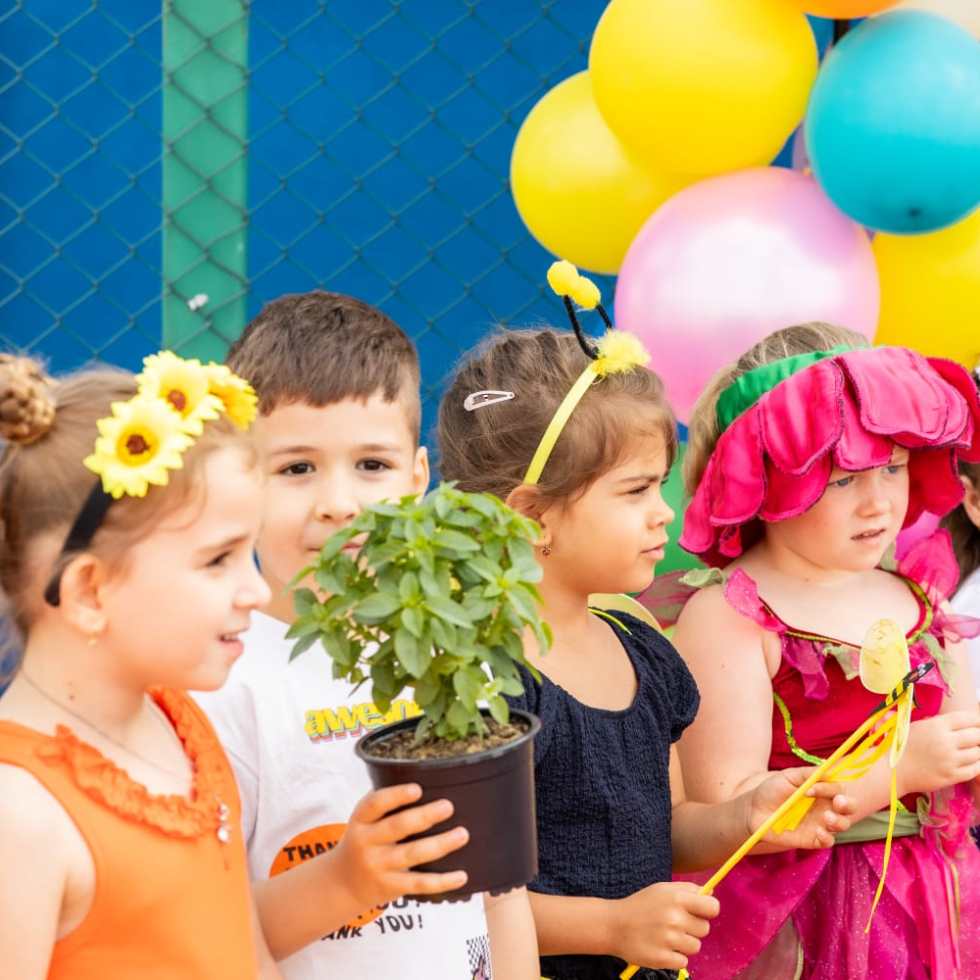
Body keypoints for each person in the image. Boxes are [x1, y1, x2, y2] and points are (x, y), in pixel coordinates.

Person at [436, 265, 855, 980]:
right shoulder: (480, 675)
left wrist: (747, 817)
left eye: (660, 485)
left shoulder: (640, 647)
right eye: (634, 491)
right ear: (532, 516)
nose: (663, 513)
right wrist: (611, 926)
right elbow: (463, 897)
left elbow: (668, 827)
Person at [195, 290, 538, 980]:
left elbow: (501, 895)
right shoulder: (220, 681)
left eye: (371, 466)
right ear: (239, 482)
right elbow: (210, 930)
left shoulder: (453, 653)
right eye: (297, 468)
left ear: (418, 480)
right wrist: (347, 880)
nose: (339, 504)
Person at [675, 323, 980, 978]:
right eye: (844, 480)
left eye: (892, 468)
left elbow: (959, 738)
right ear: (761, 479)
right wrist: (897, 771)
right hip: (807, 918)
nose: (877, 503)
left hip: (933, 896)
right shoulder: (732, 616)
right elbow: (729, 814)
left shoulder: (913, 594)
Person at [0, 350, 281, 977]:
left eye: (250, 554)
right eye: (219, 560)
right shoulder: (19, 816)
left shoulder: (182, 726)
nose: (258, 592)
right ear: (90, 593)